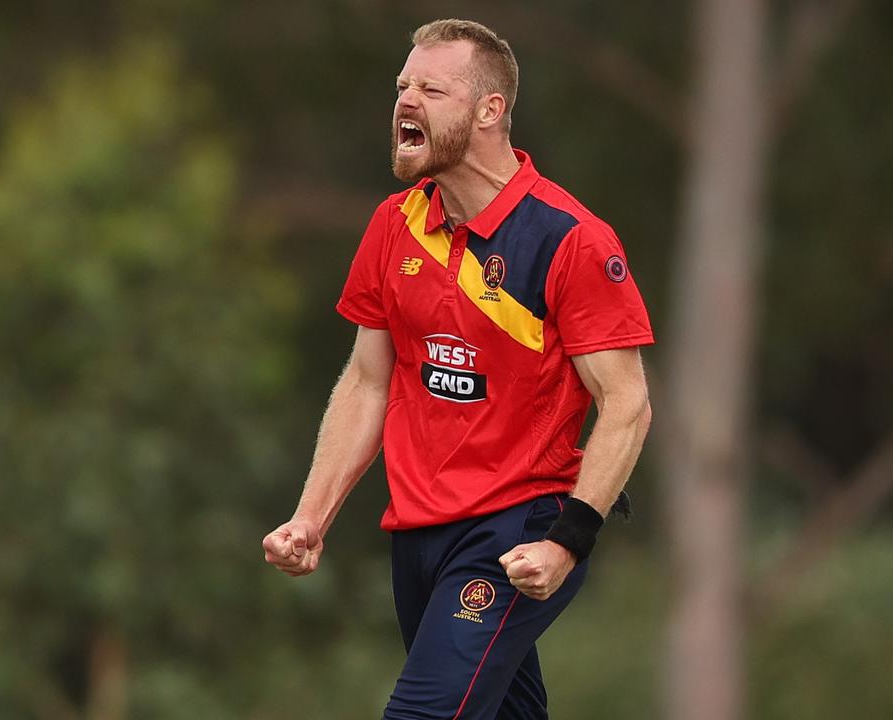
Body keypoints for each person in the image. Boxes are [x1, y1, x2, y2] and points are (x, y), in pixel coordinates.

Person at [261, 18, 654, 720]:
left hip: (514, 535)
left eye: (430, 89)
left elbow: (627, 406)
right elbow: (366, 381)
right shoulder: (394, 224)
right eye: (402, 86)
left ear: (488, 111)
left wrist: (566, 543)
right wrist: (310, 516)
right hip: (416, 534)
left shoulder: (571, 240)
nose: (405, 100)